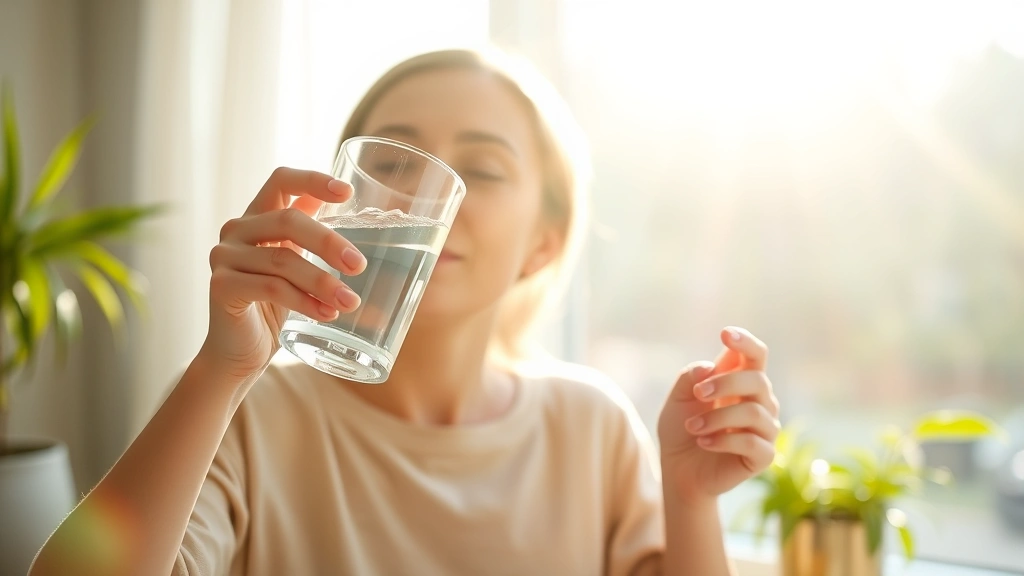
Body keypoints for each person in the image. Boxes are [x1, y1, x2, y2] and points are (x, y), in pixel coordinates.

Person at [30, 48, 780, 576]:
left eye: (482, 170)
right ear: (337, 201)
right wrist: (220, 371)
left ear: (543, 243)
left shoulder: (592, 427)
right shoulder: (246, 411)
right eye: (391, 163)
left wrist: (689, 499)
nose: (425, 203)